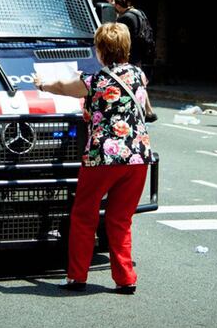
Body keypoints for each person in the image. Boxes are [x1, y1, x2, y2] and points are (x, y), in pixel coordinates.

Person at [33, 22, 154, 293]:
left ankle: (77, 276)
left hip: (104, 156)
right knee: (121, 219)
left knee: (84, 214)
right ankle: (125, 279)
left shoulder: (96, 80)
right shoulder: (139, 74)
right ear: (126, 48)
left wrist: (43, 85)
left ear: (101, 50)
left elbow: (64, 87)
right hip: (138, 156)